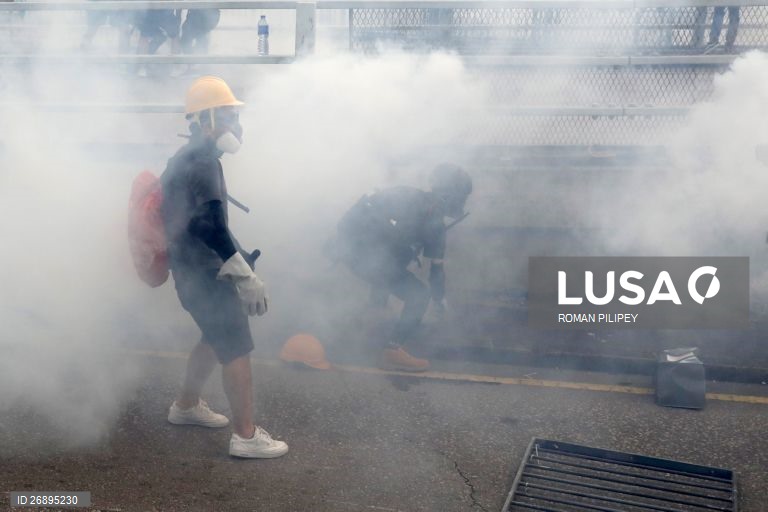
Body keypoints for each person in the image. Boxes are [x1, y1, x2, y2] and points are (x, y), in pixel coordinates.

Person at [160, 76, 288, 459]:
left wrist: (237, 257)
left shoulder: (188, 158)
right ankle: (246, 436)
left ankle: (185, 406)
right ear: (204, 120)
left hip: (190, 270)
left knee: (212, 336)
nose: (236, 125)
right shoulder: (202, 163)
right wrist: (244, 274)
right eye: (228, 116)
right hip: (202, 272)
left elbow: (201, 221)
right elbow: (207, 225)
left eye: (235, 115)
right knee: (236, 345)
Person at [329, 164, 473, 372]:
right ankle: (392, 351)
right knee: (419, 295)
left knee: (391, 268)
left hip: (349, 252)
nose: (463, 201)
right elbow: (436, 272)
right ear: (452, 194)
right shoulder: (435, 223)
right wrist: (439, 299)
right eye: (463, 195)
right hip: (372, 261)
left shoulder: (405, 193)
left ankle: (367, 332)